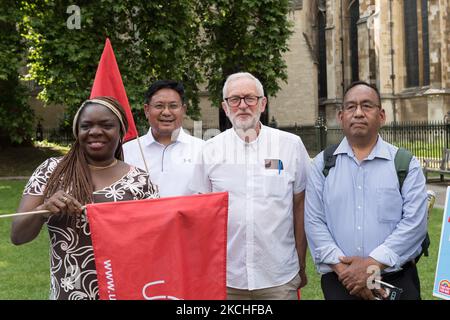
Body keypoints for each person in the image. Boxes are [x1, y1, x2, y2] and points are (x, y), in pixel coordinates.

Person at [11, 96, 159, 300]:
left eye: (106, 125)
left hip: (124, 292)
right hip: (67, 293)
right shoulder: (51, 171)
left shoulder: (140, 180)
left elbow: (157, 244)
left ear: (121, 131)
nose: (95, 131)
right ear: (77, 131)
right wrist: (43, 210)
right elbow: (18, 236)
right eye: (86, 126)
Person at [189, 72, 310, 300]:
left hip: (278, 276)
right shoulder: (209, 150)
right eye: (234, 99)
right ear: (225, 107)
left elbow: (300, 206)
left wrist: (301, 261)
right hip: (227, 278)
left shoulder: (290, 146)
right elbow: (200, 214)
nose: (242, 105)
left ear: (262, 103)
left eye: (249, 98)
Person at [305, 81, 428, 300]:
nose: (358, 113)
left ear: (381, 116)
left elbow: (414, 225)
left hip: (396, 282)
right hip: (341, 282)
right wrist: (349, 274)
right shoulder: (321, 166)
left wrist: (369, 268)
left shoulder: (404, 164)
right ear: (341, 117)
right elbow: (314, 224)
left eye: (367, 106)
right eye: (351, 107)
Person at [123, 80, 204, 197]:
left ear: (183, 110)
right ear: (146, 110)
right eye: (159, 106)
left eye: (173, 106)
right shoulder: (127, 151)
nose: (166, 112)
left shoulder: (202, 149)